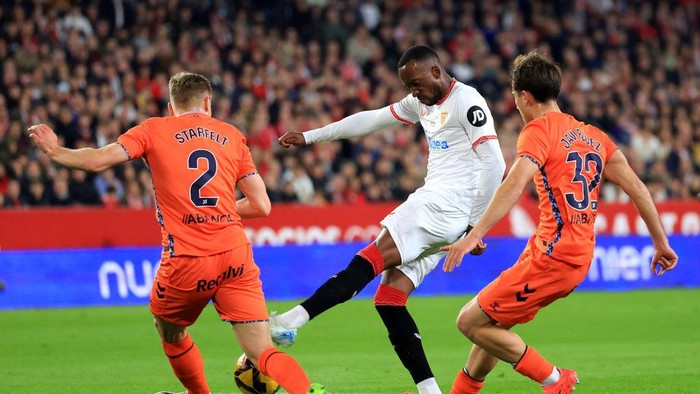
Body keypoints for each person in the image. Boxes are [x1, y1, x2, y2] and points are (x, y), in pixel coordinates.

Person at [28, 72, 325, 394]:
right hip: (235, 255)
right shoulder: (231, 134)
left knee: (169, 329)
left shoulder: (154, 129)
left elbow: (98, 161)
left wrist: (55, 152)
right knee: (262, 351)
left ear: (172, 106)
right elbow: (261, 205)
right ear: (208, 101)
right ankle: (308, 391)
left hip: (187, 258)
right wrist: (218, 212)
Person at [440, 50, 679, 394]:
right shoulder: (595, 136)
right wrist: (661, 243)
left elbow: (514, 184)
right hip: (572, 252)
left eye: (515, 99)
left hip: (554, 256)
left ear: (524, 96)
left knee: (469, 321)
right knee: (494, 323)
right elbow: (639, 190)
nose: (517, 107)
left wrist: (473, 233)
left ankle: (555, 379)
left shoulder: (537, 131)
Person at [273, 45, 506, 394]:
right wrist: (312, 136)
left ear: (436, 72)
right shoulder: (421, 103)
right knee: (389, 298)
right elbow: (371, 119)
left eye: (416, 82)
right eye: (408, 86)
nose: (413, 91)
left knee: (369, 259)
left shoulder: (467, 101)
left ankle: (292, 321)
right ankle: (430, 391)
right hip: (447, 219)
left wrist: (475, 228)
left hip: (440, 207)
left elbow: (496, 164)